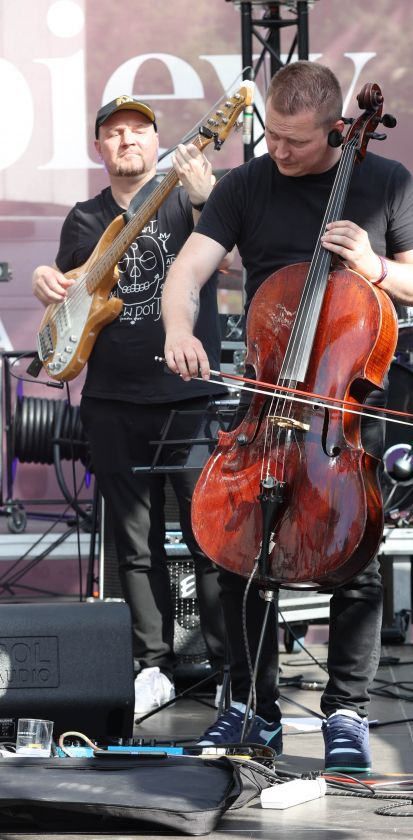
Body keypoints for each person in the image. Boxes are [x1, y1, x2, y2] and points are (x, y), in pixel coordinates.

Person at [162, 61, 413, 772]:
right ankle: (250, 706)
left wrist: (375, 266)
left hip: (340, 405)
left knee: (355, 555)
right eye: (273, 136)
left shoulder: (388, 183)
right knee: (235, 553)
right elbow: (188, 271)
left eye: (295, 140)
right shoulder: (246, 184)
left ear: (338, 129)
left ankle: (346, 710)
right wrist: (178, 329)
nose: (279, 152)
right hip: (269, 394)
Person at [31, 95, 228, 716]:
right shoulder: (85, 218)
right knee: (135, 545)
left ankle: (230, 666)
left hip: (189, 394)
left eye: (139, 130)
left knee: (210, 539)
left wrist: (206, 199)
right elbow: (69, 301)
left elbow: (235, 260)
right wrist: (45, 282)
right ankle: (152, 665)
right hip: (112, 398)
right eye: (114, 132)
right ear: (99, 147)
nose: (127, 140)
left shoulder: (186, 196)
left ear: (157, 140)